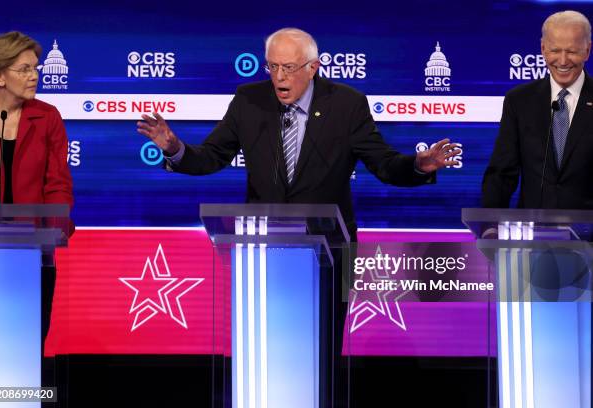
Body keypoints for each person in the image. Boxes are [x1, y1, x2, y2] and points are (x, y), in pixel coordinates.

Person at [138, 27, 458, 407]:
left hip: (329, 253)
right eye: (272, 67)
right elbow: (212, 156)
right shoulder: (249, 100)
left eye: (289, 68)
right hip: (262, 254)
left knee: (320, 352)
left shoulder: (347, 104)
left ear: (313, 67)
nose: (279, 78)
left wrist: (419, 166)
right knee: (264, 346)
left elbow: (384, 164)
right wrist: (175, 149)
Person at [0, 31, 73, 388]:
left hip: (33, 251)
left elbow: (58, 183)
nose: (35, 75)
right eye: (24, 69)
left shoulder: (47, 117)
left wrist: (52, 229)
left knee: (27, 339)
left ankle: (19, 395)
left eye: (35, 68)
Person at [482, 10, 592, 209]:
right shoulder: (519, 101)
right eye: (555, 50)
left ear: (587, 50)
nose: (563, 60)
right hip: (533, 232)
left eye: (572, 51)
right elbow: (502, 172)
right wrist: (490, 226)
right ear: (543, 49)